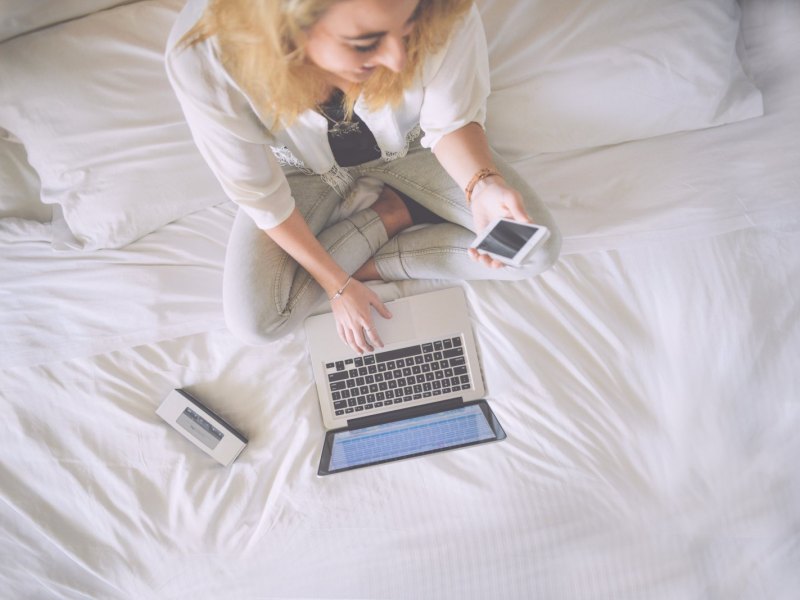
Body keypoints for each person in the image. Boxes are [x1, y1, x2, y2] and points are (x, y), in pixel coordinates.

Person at [166, 0, 560, 354]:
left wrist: (481, 182)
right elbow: (262, 197)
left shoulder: (442, 7)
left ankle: (381, 239)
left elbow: (450, 121)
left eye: (406, 31)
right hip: (299, 171)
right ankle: (393, 214)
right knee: (258, 323)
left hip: (414, 145)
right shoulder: (204, 57)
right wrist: (337, 286)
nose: (399, 60)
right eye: (366, 41)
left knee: (533, 252)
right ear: (287, 31)